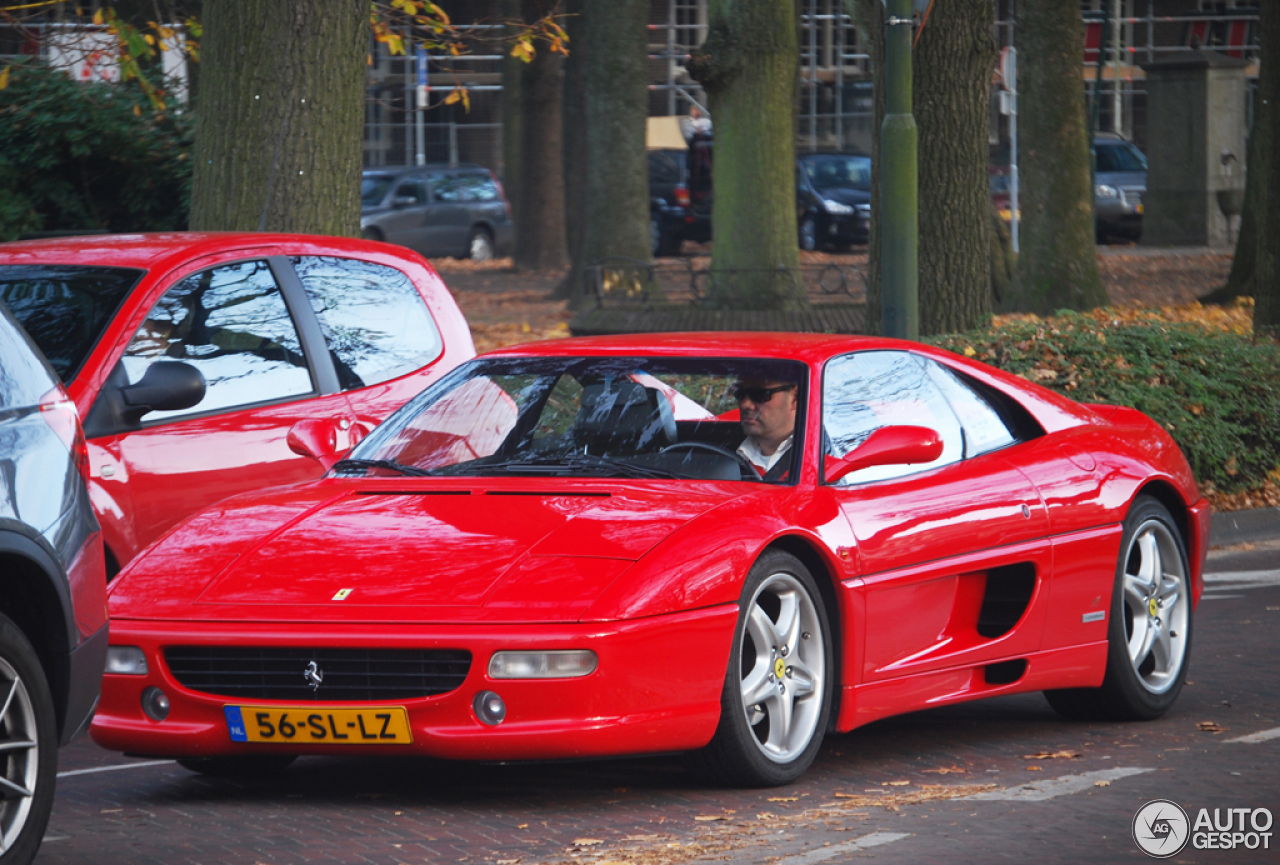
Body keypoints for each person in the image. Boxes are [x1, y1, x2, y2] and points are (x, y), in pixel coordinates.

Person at [734, 378, 797, 480]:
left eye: (760, 394)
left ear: (794, 397)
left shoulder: (825, 463)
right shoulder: (725, 448)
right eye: (739, 393)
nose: (744, 404)